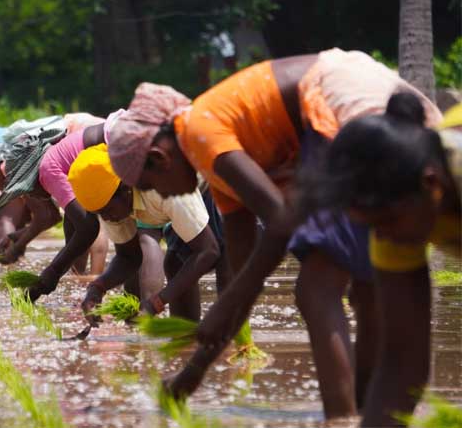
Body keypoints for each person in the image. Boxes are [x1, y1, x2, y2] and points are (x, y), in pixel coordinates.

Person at [106, 49, 442, 420]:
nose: (162, 196)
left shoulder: (199, 132)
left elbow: (280, 220)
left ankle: (343, 417)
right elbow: (244, 268)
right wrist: (194, 372)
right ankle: (363, 411)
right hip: (356, 97)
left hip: (341, 103)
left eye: (150, 184)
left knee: (317, 286)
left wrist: (223, 308)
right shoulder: (215, 163)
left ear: (159, 156)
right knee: (360, 283)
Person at [297, 92, 459, 427]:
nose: (381, 238)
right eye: (369, 226)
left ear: (431, 185)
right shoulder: (395, 218)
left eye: (385, 223)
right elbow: (402, 364)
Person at [68, 144, 225, 323]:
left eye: (108, 210)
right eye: (99, 213)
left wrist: (157, 302)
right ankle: (186, 340)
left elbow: (208, 250)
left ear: (126, 189)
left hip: (213, 177)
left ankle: (232, 341)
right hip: (183, 193)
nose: (107, 218)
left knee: (224, 265)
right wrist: (97, 288)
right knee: (175, 262)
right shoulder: (110, 202)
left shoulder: (163, 188)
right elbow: (128, 257)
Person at [0, 114, 112, 302]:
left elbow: (89, 226)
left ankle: (95, 279)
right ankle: (84, 282)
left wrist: (51, 273)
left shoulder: (48, 169)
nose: (29, 196)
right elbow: (72, 230)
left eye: (27, 190)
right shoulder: (56, 164)